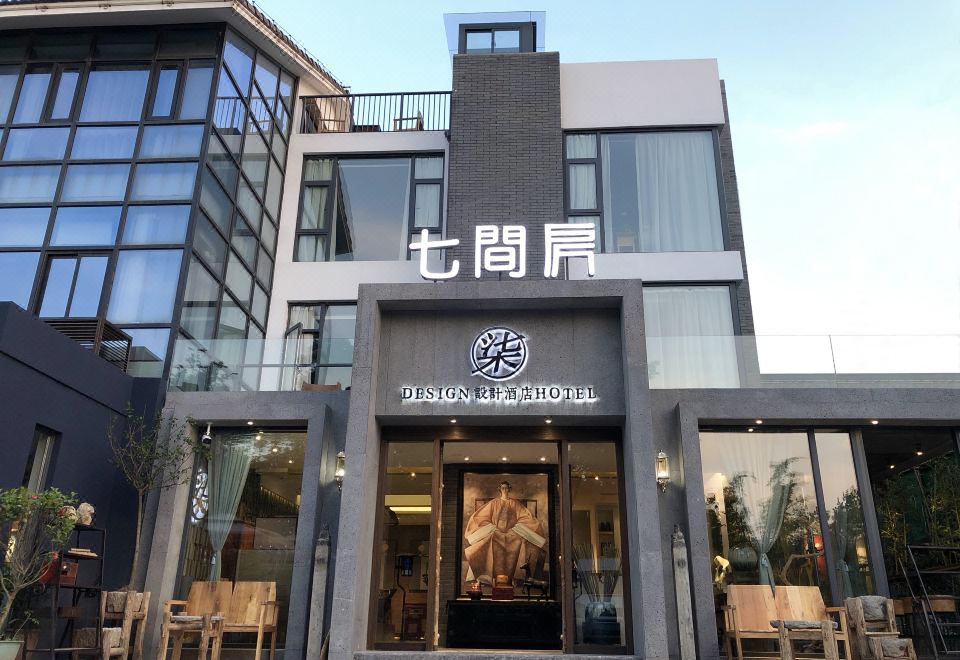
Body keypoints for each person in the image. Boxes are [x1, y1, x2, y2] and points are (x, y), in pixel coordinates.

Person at [463, 481, 546, 587]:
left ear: (509, 489)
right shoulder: (493, 503)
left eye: (506, 488)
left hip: (512, 533)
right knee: (490, 540)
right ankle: (488, 577)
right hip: (496, 532)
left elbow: (525, 517)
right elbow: (482, 517)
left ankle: (515, 577)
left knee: (519, 541)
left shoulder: (515, 503)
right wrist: (493, 528)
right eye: (503, 488)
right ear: (500, 489)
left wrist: (515, 529)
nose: (505, 490)